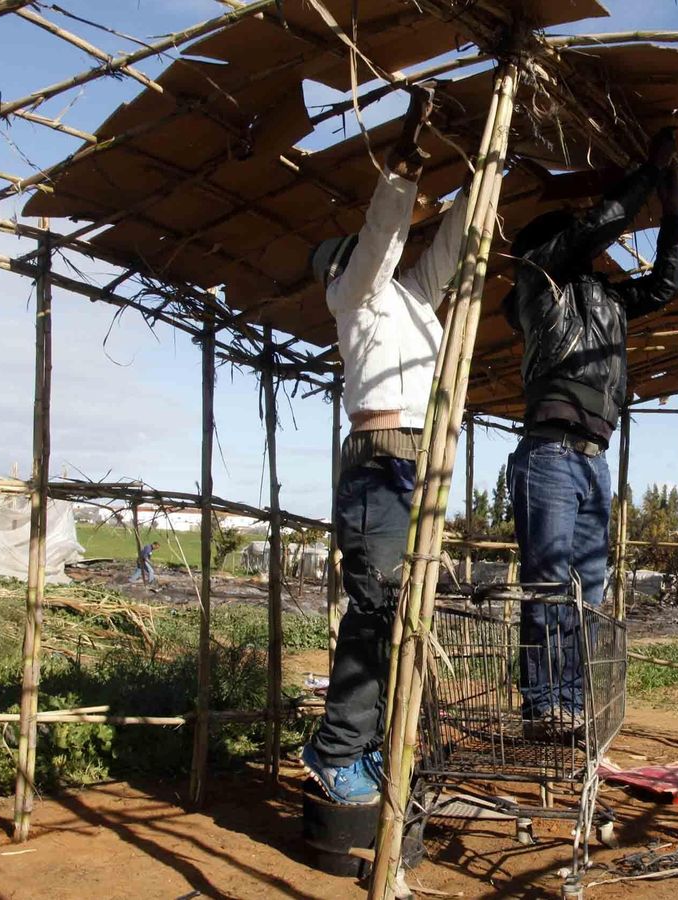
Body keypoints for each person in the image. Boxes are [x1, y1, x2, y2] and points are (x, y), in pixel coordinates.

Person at [300, 88, 470, 805]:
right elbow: (384, 233)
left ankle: (369, 746)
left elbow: (454, 244)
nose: (366, 261)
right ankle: (336, 752)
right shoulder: (355, 295)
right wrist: (407, 148)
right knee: (374, 612)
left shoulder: (411, 302)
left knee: (401, 615)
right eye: (355, 258)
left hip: (418, 465)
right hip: (380, 458)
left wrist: (491, 175)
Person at [503, 128, 678, 739]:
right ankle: (542, 707)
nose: (580, 244)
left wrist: (675, 218)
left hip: (592, 458)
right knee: (550, 582)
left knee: (589, 591)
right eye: (566, 237)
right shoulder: (537, 281)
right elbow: (592, 230)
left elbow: (663, 286)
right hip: (550, 452)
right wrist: (645, 174)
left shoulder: (606, 299)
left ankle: (571, 704)